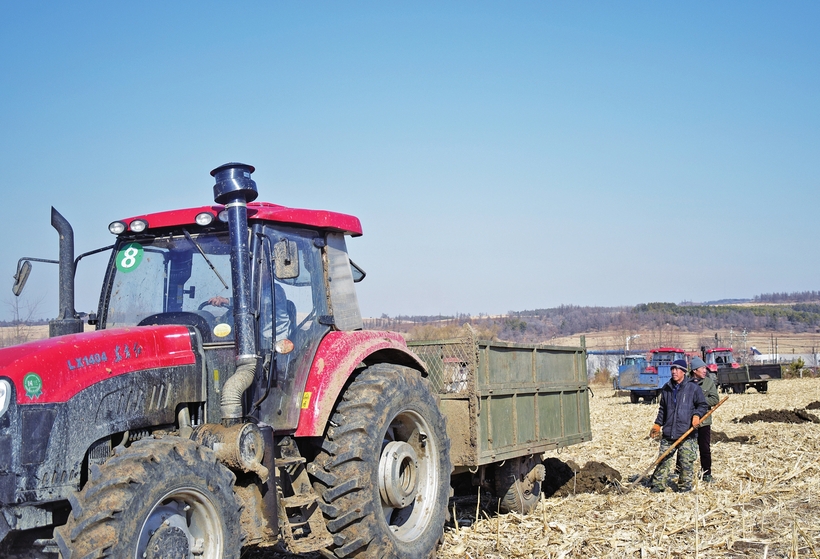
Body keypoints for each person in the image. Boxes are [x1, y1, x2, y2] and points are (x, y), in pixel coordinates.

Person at [649, 359, 709, 493]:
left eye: (677, 369)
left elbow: (702, 405)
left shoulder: (693, 388)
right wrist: (658, 424)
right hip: (669, 431)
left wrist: (696, 415)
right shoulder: (666, 388)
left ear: (683, 371)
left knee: (685, 462)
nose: (674, 372)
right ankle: (658, 485)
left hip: (687, 432)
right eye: (672, 369)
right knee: (663, 460)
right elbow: (663, 409)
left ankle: (684, 487)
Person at [689, 356, 720, 482]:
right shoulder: (686, 382)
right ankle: (681, 472)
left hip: (704, 421)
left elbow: (715, 399)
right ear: (695, 370)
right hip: (688, 421)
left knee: (705, 448)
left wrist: (699, 401)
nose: (705, 370)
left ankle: (706, 473)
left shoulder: (708, 382)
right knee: (685, 448)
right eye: (702, 368)